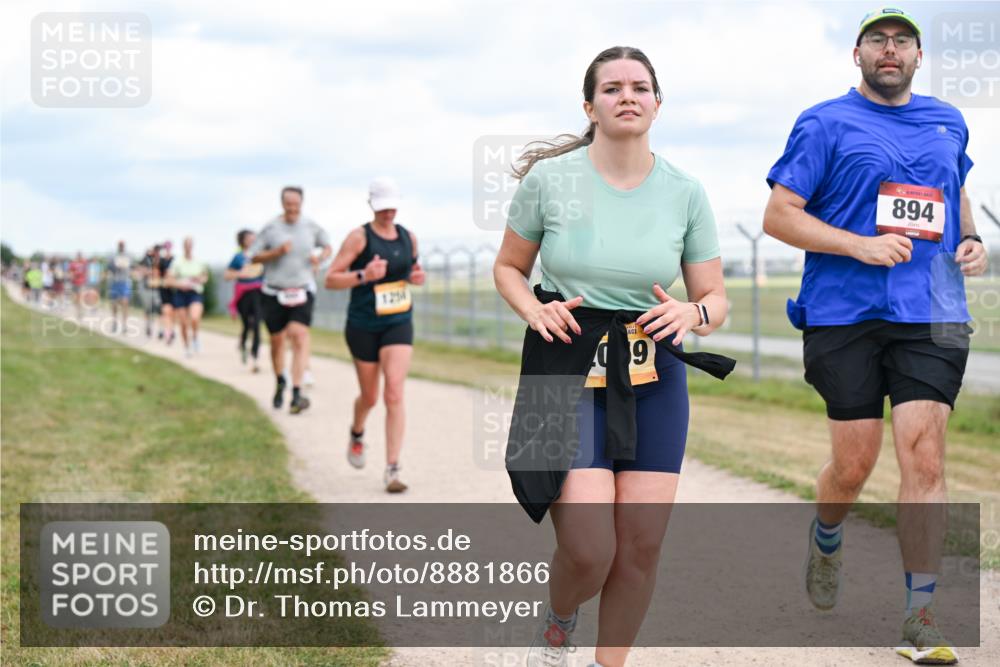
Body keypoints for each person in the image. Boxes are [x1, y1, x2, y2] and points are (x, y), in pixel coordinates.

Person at [762, 8, 989, 665]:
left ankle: (919, 615)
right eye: (877, 41)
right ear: (857, 54)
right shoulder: (824, 122)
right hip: (844, 312)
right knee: (854, 463)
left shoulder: (948, 119)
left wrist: (969, 237)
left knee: (924, 454)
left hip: (933, 309)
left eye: (902, 41)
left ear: (918, 55)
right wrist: (859, 246)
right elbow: (779, 215)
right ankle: (827, 531)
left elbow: (957, 187)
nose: (890, 50)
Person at [494, 46, 732, 667]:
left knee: (641, 548)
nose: (627, 95)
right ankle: (559, 623)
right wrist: (532, 308)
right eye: (612, 88)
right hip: (565, 366)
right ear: (590, 105)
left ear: (658, 103)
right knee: (590, 550)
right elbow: (509, 268)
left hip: (656, 373)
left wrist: (694, 313)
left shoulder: (685, 191)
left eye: (640, 87)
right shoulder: (552, 181)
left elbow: (713, 297)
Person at [324, 177, 425, 493]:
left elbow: (412, 271)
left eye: (392, 207)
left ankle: (392, 469)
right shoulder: (358, 238)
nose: (388, 213)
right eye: (382, 208)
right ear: (371, 205)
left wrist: (416, 276)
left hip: (398, 322)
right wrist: (363, 275)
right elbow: (330, 279)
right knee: (369, 396)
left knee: (393, 392)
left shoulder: (409, 238)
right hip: (363, 324)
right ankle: (357, 432)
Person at [250, 186, 332, 414]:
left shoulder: (310, 226)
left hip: (302, 289)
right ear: (282, 204)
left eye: (296, 205)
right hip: (274, 291)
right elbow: (253, 255)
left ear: (301, 203)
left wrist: (320, 258)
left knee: (299, 335)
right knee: (277, 341)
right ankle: (280, 381)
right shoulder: (271, 228)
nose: (293, 209)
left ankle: (296, 393)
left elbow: (327, 247)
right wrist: (275, 253)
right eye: (289, 205)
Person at [224, 229, 264, 372]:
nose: (253, 241)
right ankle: (243, 344)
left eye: (254, 238)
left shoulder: (261, 256)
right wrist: (240, 273)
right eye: (249, 238)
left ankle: (255, 358)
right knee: (247, 324)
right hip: (243, 294)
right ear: (243, 241)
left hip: (259, 293)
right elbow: (227, 275)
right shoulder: (238, 257)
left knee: (257, 325)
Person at [167, 236, 209, 357]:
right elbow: (169, 280)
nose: (189, 247)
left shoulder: (198, 261)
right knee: (184, 323)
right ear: (183, 246)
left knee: (195, 317)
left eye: (190, 245)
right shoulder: (177, 262)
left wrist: (199, 279)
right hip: (181, 294)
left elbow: (204, 277)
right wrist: (179, 284)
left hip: (195, 292)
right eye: (187, 244)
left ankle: (195, 337)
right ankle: (186, 347)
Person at [107, 241, 132, 332]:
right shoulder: (113, 256)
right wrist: (114, 265)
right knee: (114, 304)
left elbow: (132, 267)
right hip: (114, 282)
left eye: (123, 245)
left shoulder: (129, 256)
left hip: (125, 282)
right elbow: (108, 267)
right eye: (120, 245)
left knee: (125, 303)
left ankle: (125, 325)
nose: (121, 247)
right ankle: (114, 322)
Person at [156, 241, 176, 344]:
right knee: (165, 310)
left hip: (172, 289)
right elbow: (158, 275)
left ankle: (170, 330)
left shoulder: (174, 260)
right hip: (163, 288)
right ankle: (166, 332)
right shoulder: (161, 261)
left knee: (171, 311)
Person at [67, 252, 88, 319]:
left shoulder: (84, 263)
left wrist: (85, 279)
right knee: (74, 299)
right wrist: (71, 276)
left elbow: (86, 272)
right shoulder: (73, 264)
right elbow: (70, 272)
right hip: (74, 283)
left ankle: (80, 312)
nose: (79, 257)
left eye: (80, 256)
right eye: (78, 256)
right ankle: (79, 310)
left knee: (79, 297)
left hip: (80, 282)